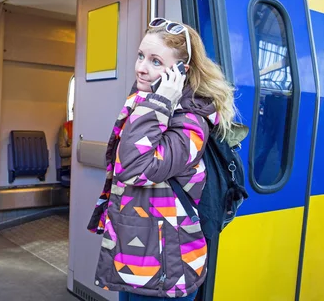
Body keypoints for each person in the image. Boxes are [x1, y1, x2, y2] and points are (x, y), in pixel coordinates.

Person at [87, 18, 236, 300]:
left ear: (182, 71)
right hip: (135, 256)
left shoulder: (191, 121)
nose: (141, 67)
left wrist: (159, 102)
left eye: (156, 61)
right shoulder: (147, 103)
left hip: (166, 267)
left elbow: (133, 169)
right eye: (141, 56)